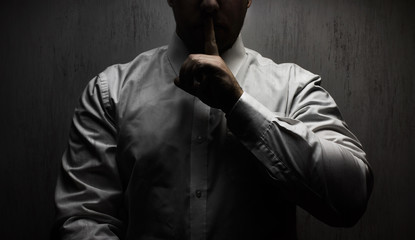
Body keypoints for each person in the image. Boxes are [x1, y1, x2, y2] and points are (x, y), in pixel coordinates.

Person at [53, 0, 374, 239]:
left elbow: (352, 197)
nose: (209, 3)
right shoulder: (111, 92)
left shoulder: (294, 88)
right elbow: (82, 220)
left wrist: (239, 105)